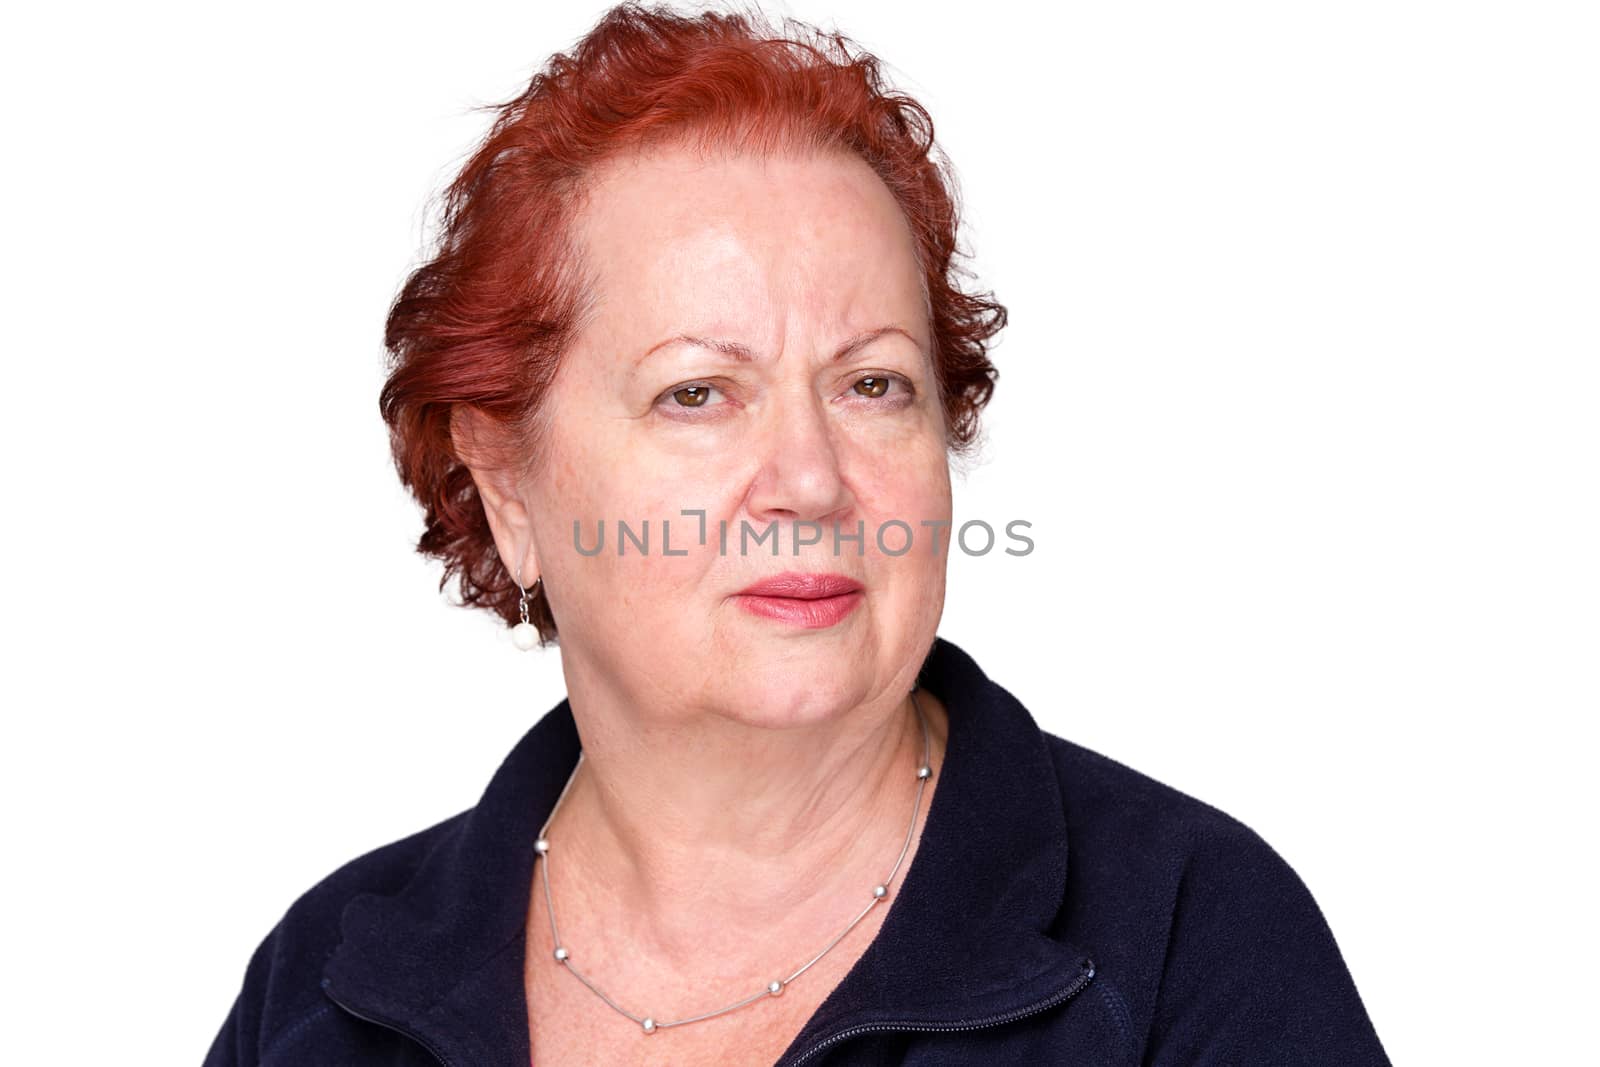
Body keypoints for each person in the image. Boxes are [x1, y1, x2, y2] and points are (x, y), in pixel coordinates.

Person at [204, 3, 1391, 1064]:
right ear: (507, 486)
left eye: (874, 384)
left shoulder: (1190, 938)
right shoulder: (322, 989)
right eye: (698, 393)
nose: (812, 481)